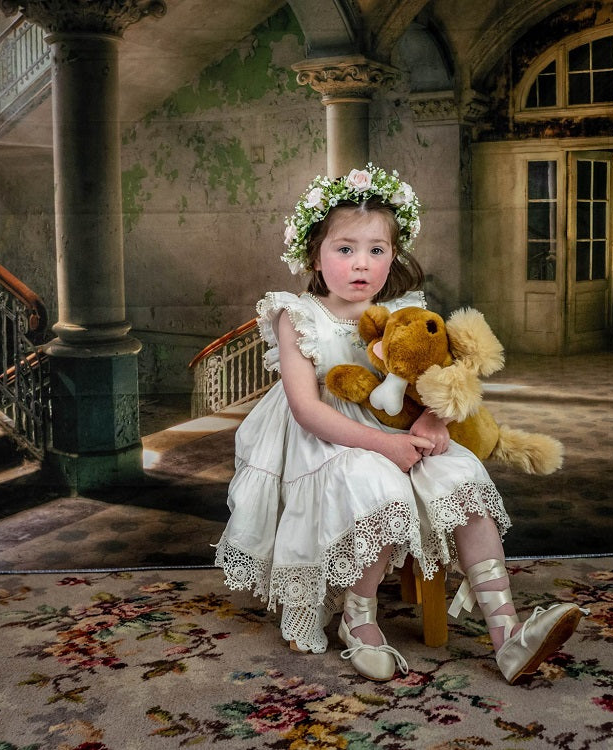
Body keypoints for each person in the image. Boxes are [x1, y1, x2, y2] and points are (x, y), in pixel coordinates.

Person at [213, 164, 584, 684]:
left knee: (462, 477)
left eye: (376, 250)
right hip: (329, 436)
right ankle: (358, 621)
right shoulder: (297, 314)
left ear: (394, 255)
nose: (361, 264)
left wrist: (434, 418)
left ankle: (508, 634)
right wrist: (385, 445)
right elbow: (306, 409)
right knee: (377, 484)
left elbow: (437, 373)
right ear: (314, 253)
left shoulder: (404, 309)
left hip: (402, 426)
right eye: (345, 249)